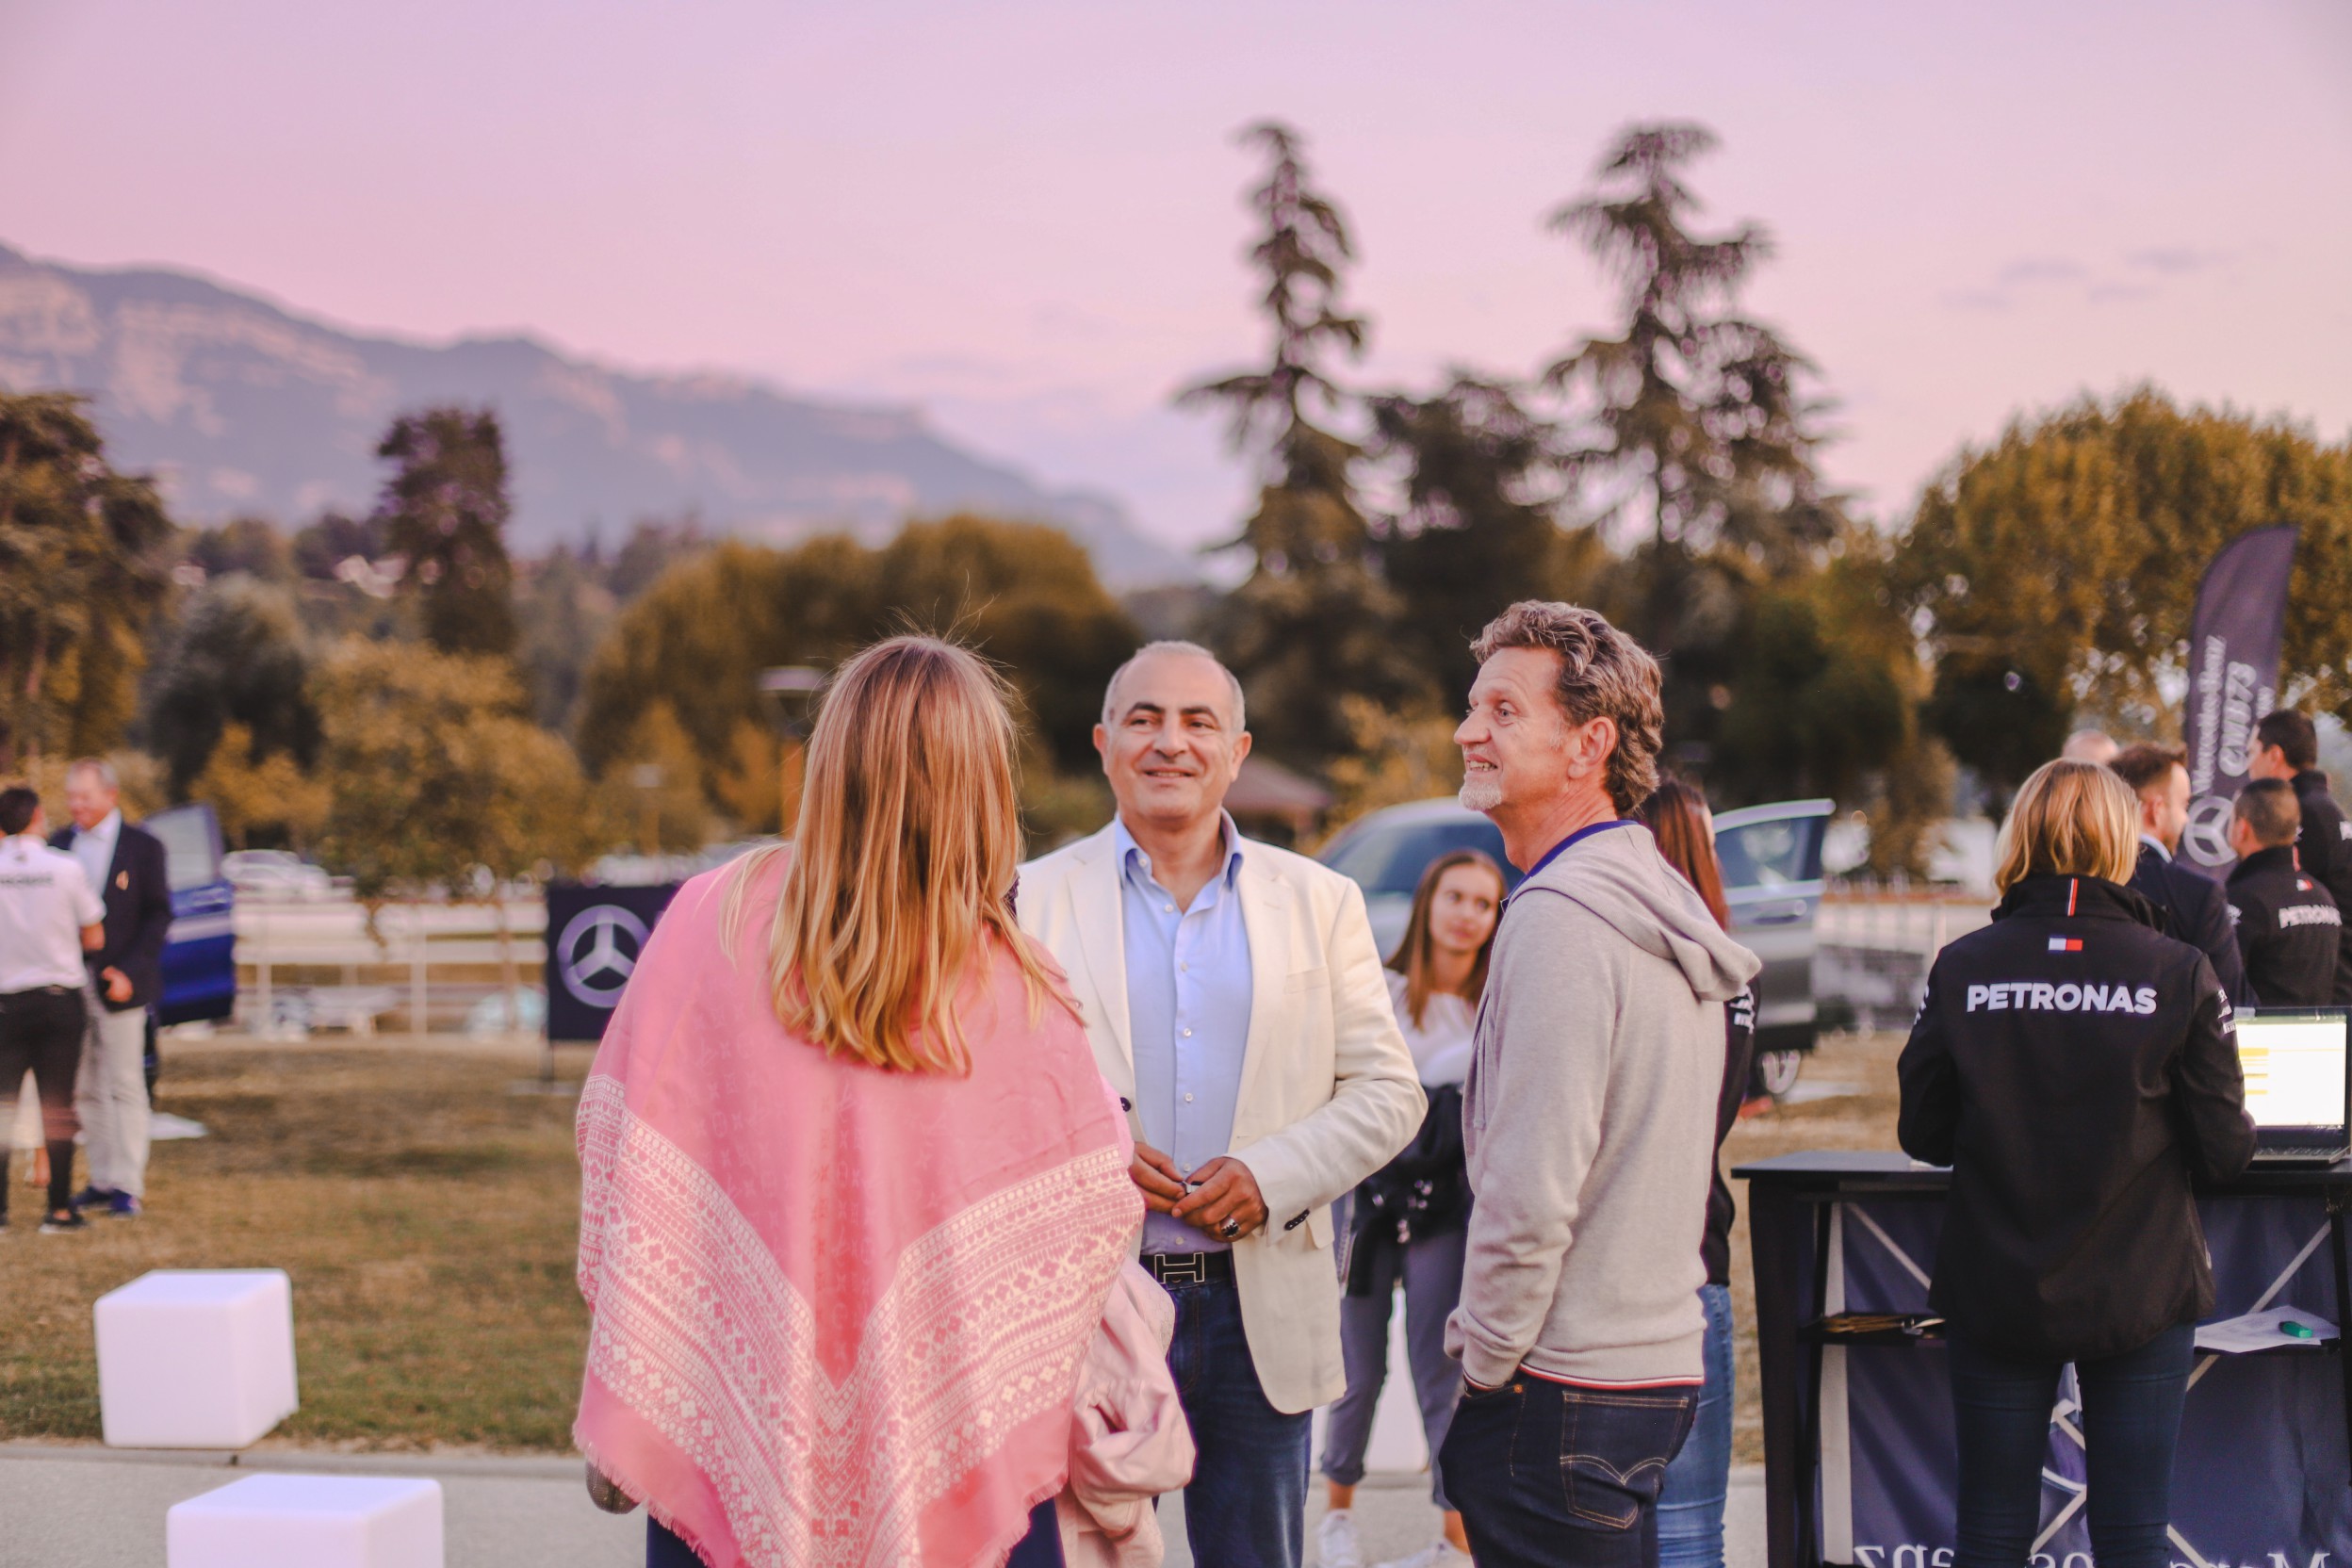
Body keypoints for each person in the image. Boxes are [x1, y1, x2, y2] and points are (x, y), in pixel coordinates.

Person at [573, 636, 1181, 1568]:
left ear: (831, 759)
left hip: (727, 1440)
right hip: (961, 1465)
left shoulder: (712, 919)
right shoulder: (1020, 990)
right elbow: (1095, 1218)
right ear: (983, 786)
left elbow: (620, 1155)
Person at [1016, 640, 1425, 1568]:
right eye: (1145, 718)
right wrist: (1090, 1149)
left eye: (1199, 720)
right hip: (1087, 1304)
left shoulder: (1322, 901)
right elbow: (980, 1095)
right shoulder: (1025, 899)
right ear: (1104, 741)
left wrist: (1270, 1173)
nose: (1171, 740)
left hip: (1260, 1310)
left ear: (1238, 749)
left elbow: (1390, 1091)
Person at [1435, 602, 1760, 1568]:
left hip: (1559, 1381)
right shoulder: (1650, 899)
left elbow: (1533, 1193)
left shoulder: (1564, 918)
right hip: (1649, 1370)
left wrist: (1484, 1370)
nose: (1467, 730)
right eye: (1471, 705)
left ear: (1590, 743)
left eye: (1501, 708)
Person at [1898, 759, 2254, 1568]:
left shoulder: (1965, 965)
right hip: (2141, 1282)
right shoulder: (2177, 969)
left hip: (1997, 1280)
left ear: (2020, 838)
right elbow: (2226, 1150)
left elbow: (1922, 1130)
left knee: (1991, 1528)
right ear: (2123, 844)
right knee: (2132, 1532)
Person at [1316, 848, 1505, 1568]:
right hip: (1366, 1201)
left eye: (1483, 904)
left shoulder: (1495, 1005)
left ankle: (1451, 1540)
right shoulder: (1382, 991)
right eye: (1454, 897)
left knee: (1440, 1370)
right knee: (1354, 1372)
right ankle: (1337, 1520)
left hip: (1446, 1209)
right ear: (1428, 902)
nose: (1466, 915)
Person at [1638, 776, 1756, 1568]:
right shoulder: (1733, 977)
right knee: (1688, 1530)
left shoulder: (1620, 957)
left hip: (1614, 1268)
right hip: (1694, 1259)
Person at [50, 759, 172, 1218]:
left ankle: (127, 1183)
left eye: (84, 796)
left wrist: (129, 971)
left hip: (121, 984)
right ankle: (101, 1178)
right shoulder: (60, 844)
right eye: (71, 796)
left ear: (110, 795)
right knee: (84, 1086)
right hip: (68, 981)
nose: (75, 805)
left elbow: (159, 915)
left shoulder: (143, 847)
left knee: (123, 1082)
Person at [0, 786, 106, 1234]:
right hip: (59, 1002)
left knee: (3, 1109)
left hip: (5, 1002)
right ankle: (59, 1210)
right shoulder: (65, 867)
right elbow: (95, 936)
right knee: (57, 1107)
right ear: (38, 817)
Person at [2108, 743, 2250, 1006]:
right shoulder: (2198, 894)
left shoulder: (2079, 882)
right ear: (2156, 809)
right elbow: (2232, 1001)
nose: (2186, 820)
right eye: (2184, 805)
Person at [2247, 710, 2352, 1002]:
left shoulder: (2303, 815)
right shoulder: (2326, 809)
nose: (2248, 764)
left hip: (2324, 997)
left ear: (2274, 755)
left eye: (2251, 752)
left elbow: (2279, 898)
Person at [2226, 778, 2341, 1008]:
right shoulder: (2323, 897)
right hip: (2324, 1041)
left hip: (2258, 1042)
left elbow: (2222, 992)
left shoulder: (2243, 900)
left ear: (2242, 828)